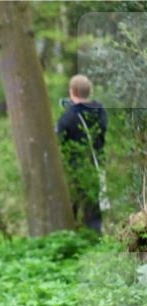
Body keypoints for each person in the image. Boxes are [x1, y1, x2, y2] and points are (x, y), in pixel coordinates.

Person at [56, 74, 108, 233]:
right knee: (93, 205)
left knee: (72, 204)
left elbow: (59, 139)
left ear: (72, 91)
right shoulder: (99, 110)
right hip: (96, 163)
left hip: (75, 166)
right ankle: (95, 237)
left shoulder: (68, 116)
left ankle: (71, 236)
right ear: (89, 91)